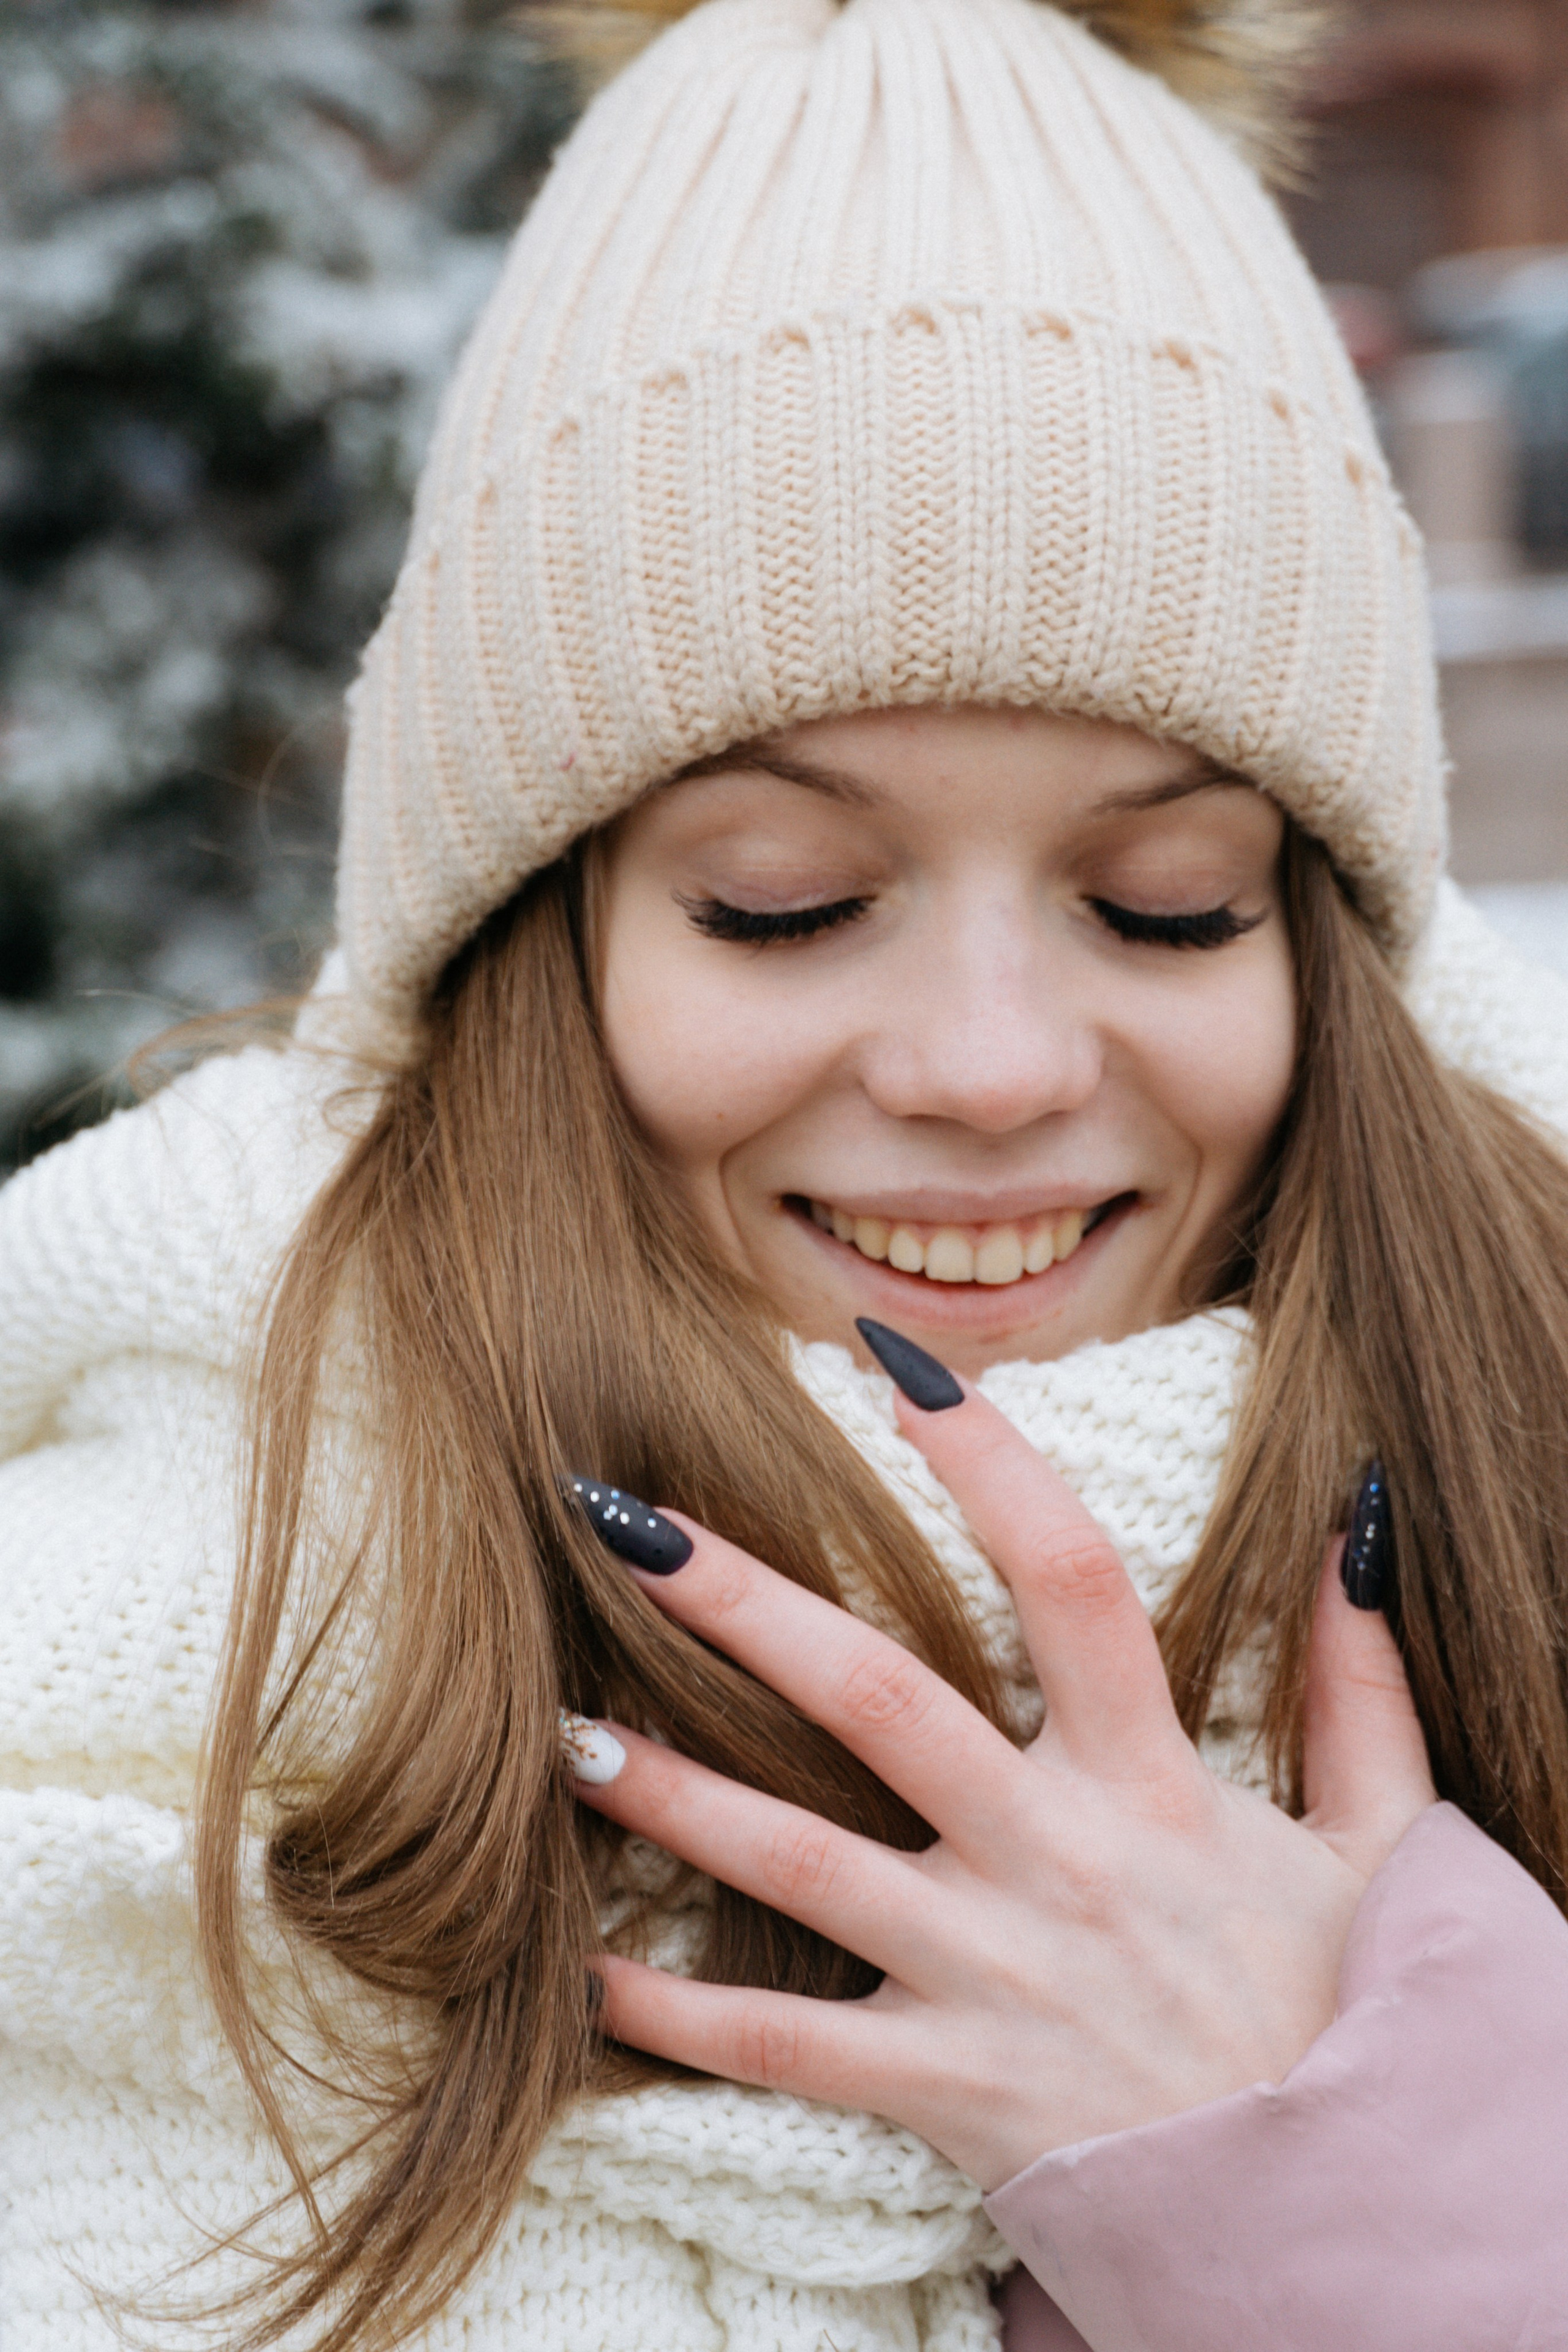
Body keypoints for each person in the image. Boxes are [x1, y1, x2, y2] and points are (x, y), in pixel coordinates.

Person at [4, 0, 1568, 2346]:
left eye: (1166, 907)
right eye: (781, 902)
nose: (990, 1066)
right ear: (530, 941)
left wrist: (1365, 2188)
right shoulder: (130, 1745)